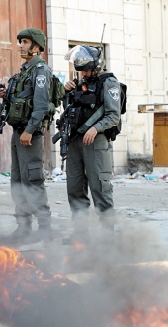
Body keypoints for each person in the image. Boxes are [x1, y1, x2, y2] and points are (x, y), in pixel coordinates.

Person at [0, 28, 53, 243]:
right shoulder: (24, 71)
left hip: (30, 135)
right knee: (18, 181)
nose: (20, 45)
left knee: (33, 180)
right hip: (18, 133)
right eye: (20, 41)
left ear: (36, 46)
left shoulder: (40, 71)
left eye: (25, 42)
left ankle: (45, 228)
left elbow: (41, 106)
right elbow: (18, 103)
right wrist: (4, 96)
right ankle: (24, 227)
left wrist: (29, 130)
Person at [61, 45, 121, 244]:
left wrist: (96, 128)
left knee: (100, 189)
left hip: (96, 142)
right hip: (76, 141)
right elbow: (71, 110)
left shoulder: (109, 83)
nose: (84, 73)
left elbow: (113, 115)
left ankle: (108, 238)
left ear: (96, 65)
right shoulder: (81, 83)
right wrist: (67, 92)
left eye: (86, 69)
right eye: (81, 70)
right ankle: (80, 235)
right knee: (75, 189)